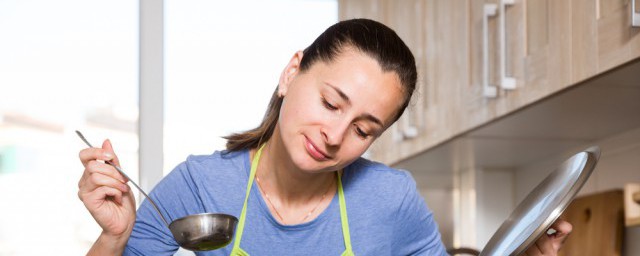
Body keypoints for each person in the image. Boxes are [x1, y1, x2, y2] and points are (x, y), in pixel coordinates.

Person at [77, 18, 572, 255]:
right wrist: (114, 235)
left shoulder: (390, 199)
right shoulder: (199, 186)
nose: (334, 135)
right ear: (292, 72)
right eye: (331, 103)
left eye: (363, 128)